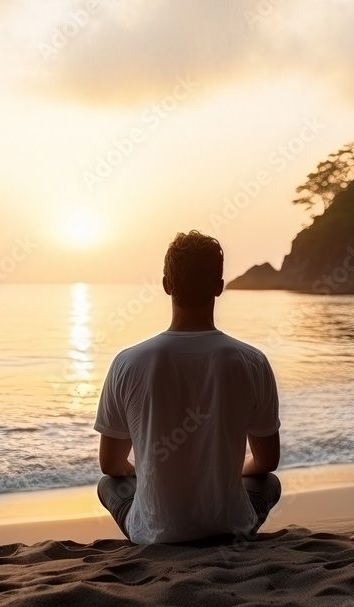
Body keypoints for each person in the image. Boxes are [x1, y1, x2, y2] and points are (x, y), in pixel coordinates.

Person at [94, 230, 282, 544]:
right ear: (219, 288)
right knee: (268, 483)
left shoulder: (127, 363)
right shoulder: (252, 361)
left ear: (167, 285)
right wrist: (223, 475)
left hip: (154, 533)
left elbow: (111, 464)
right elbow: (266, 461)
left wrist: (155, 472)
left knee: (108, 485)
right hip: (230, 528)